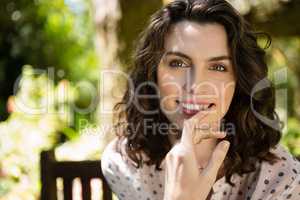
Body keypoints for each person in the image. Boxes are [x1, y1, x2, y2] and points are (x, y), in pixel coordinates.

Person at [100, 0, 300, 199]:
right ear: (152, 74)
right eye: (177, 63)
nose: (196, 85)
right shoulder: (123, 163)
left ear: (240, 80)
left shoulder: (282, 179)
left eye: (218, 67)